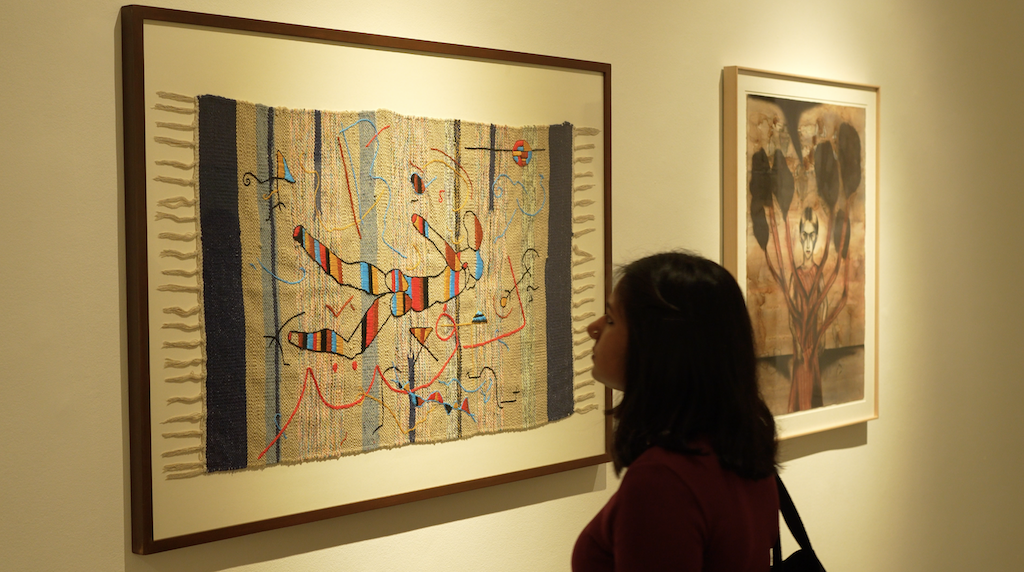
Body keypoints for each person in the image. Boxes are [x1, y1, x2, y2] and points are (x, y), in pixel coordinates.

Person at [572, 251, 780, 571]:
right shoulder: (742, 452)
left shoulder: (662, 481)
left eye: (611, 320)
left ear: (657, 345)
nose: (593, 328)